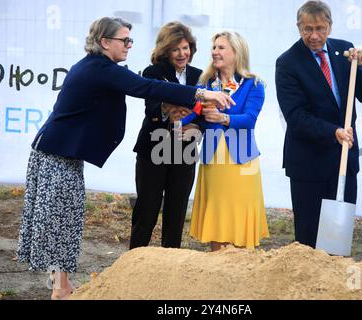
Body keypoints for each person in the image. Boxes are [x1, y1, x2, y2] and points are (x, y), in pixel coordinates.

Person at [16, 17, 234, 300]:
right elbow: (148, 88)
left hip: (61, 152)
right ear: (105, 42)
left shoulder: (98, 67)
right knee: (61, 221)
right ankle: (60, 289)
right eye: (124, 40)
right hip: (55, 154)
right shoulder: (101, 69)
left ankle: (63, 284)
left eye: (131, 40)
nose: (129, 45)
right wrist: (201, 92)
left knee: (66, 220)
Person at [275, 0, 362, 248]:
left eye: (320, 28)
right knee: (309, 240)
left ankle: (336, 285)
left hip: (344, 160)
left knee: (338, 239)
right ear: (298, 27)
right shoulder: (288, 63)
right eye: (307, 29)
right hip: (308, 163)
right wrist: (333, 132)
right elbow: (296, 117)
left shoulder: (346, 52)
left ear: (330, 26)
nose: (314, 35)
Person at [189, 31, 269, 252]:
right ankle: (217, 266)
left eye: (221, 47)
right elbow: (199, 117)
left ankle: (241, 270)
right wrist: (190, 125)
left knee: (241, 212)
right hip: (213, 159)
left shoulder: (254, 84)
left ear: (236, 52)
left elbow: (250, 120)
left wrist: (224, 118)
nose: (215, 52)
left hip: (242, 160)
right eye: (214, 47)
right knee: (218, 214)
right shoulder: (204, 84)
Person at [130, 22, 202, 249]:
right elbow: (152, 109)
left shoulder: (200, 76)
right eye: (175, 49)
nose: (182, 54)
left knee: (177, 211)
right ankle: (133, 263)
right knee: (147, 209)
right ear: (165, 51)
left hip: (185, 150)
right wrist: (167, 107)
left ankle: (170, 265)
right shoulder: (153, 73)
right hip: (153, 147)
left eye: (185, 48)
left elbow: (203, 114)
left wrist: (196, 126)